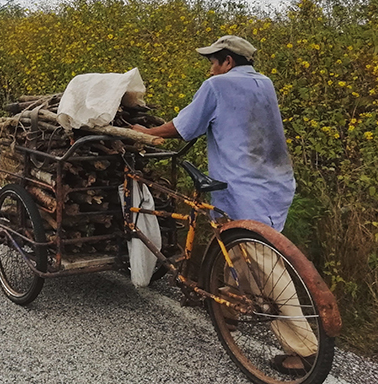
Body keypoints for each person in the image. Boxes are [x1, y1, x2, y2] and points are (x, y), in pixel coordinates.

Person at [132, 35, 315, 376]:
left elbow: (183, 128)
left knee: (264, 264)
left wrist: (146, 131)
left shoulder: (217, 86)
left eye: (213, 63)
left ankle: (303, 349)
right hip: (277, 184)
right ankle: (228, 310)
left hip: (243, 187)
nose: (210, 70)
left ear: (227, 61)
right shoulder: (265, 83)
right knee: (244, 251)